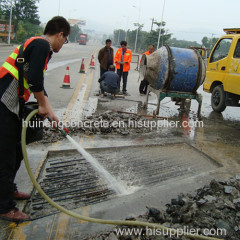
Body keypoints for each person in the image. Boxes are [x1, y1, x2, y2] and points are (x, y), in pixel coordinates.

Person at [0, 16, 70, 221]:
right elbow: (35, 81)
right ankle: (4, 207)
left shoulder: (37, 43)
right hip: (4, 103)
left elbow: (38, 84)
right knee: (6, 156)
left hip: (11, 106)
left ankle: (8, 190)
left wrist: (51, 112)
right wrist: (41, 105)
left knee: (17, 151)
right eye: (65, 40)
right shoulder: (42, 44)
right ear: (60, 34)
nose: (63, 45)